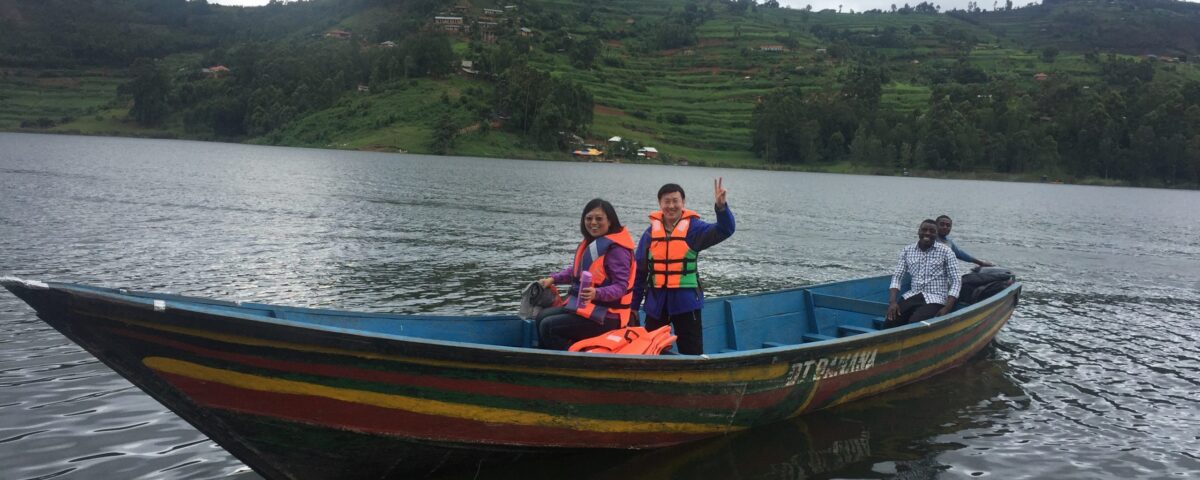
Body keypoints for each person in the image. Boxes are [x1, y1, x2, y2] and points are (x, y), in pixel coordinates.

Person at [631, 179, 735, 355]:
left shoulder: (694, 229)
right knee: (650, 350)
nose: (671, 206)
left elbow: (726, 229)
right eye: (667, 201)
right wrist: (633, 306)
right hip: (656, 304)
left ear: (683, 203)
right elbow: (639, 273)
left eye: (675, 201)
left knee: (692, 351)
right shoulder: (649, 234)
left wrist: (721, 207)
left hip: (686, 304)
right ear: (660, 204)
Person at [535, 199, 636, 350]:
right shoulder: (593, 243)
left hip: (609, 316)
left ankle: (567, 364)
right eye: (589, 218)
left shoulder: (617, 251)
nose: (593, 222)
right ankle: (546, 358)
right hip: (588, 309)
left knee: (548, 326)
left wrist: (597, 293)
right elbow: (576, 272)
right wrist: (553, 279)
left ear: (610, 221)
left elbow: (621, 287)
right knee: (542, 317)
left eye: (599, 218)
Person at [885, 219, 962, 328]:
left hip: (936, 298)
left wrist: (947, 308)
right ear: (918, 231)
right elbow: (897, 277)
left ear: (936, 234)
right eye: (924, 230)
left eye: (932, 231)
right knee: (890, 321)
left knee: (915, 324)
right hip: (912, 295)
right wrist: (892, 302)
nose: (927, 233)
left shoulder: (946, 252)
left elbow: (956, 281)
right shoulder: (907, 250)